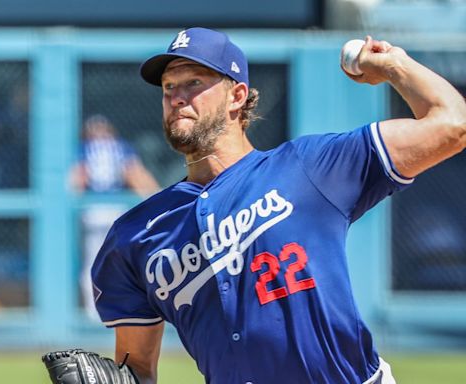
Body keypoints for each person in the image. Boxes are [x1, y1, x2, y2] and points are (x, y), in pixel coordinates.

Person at [91, 28, 466, 383]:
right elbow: (137, 367)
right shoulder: (137, 235)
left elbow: (452, 125)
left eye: (194, 83)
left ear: (237, 96)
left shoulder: (312, 166)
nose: (176, 97)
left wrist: (393, 65)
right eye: (169, 87)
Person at [71, 114, 159, 319]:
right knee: (125, 260)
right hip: (116, 209)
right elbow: (136, 176)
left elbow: (77, 180)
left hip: (94, 209)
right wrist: (157, 200)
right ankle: (124, 307)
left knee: (93, 261)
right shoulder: (120, 147)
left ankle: (94, 312)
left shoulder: (84, 149)